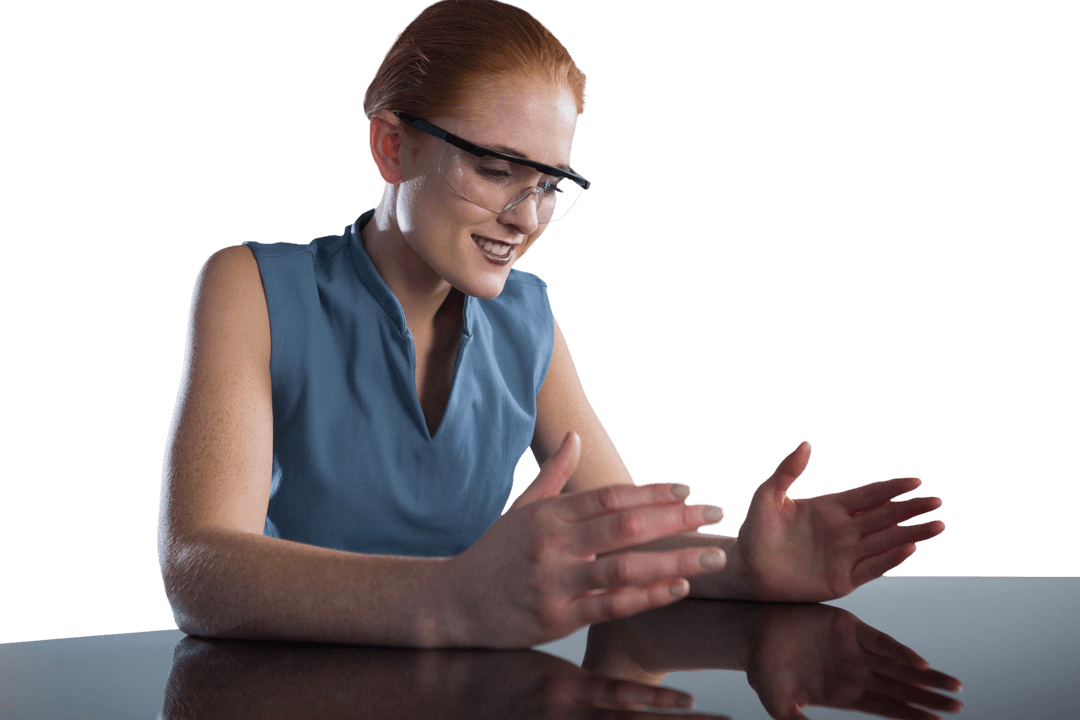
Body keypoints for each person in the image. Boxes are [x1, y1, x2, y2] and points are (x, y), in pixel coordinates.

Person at [157, 0, 946, 649]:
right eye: (496, 171)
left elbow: (622, 537)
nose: (524, 217)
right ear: (392, 146)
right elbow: (199, 569)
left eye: (548, 185)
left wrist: (745, 570)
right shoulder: (253, 287)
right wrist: (448, 600)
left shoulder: (528, 317)